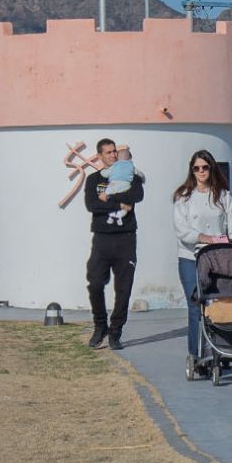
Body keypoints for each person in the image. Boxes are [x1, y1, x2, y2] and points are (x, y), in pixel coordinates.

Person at [172, 151, 232, 359]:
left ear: (211, 168)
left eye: (205, 167)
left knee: (218, 303)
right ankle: (196, 353)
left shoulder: (222, 195)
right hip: (191, 257)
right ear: (192, 170)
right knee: (196, 304)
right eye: (197, 168)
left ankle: (218, 349)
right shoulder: (183, 196)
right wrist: (202, 237)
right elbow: (181, 229)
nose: (201, 171)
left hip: (216, 258)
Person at [84, 137, 146, 350]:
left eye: (114, 152)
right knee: (95, 283)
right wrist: (119, 204)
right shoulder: (94, 179)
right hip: (102, 239)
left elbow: (137, 195)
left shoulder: (130, 175)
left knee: (124, 288)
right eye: (108, 152)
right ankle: (100, 325)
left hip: (126, 238)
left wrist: (108, 198)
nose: (112, 155)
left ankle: (115, 331)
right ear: (99, 156)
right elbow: (92, 205)